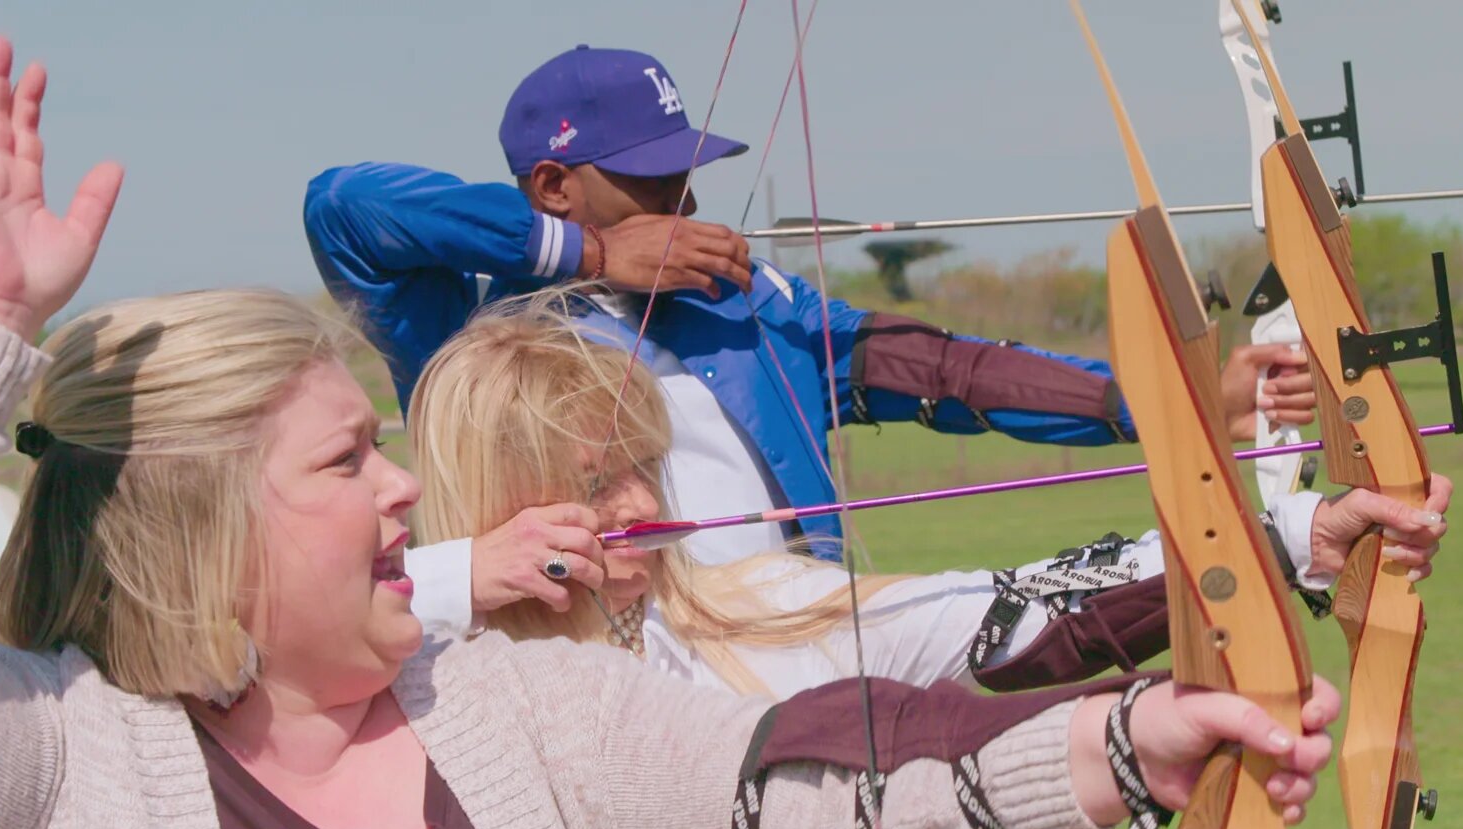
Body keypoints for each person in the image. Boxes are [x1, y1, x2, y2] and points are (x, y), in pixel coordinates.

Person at [0, 38, 1346, 829]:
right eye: (345, 458)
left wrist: (1149, 692)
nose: (400, 483)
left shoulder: (513, 715)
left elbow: (823, 758)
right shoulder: (38, 790)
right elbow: (351, 207)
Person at [404, 290, 1452, 829]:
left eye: (643, 463)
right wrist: (456, 576)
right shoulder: (417, 690)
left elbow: (1022, 610)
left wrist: (1289, 538)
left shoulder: (751, 607)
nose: (637, 500)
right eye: (594, 484)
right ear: (500, 502)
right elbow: (243, 642)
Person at [303, 44, 1319, 640]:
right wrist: (593, 252)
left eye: (684, 172)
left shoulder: (746, 304)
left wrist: (1186, 404)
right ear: (553, 188)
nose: (684, 200)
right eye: (647, 181)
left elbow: (948, 372)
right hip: (574, 707)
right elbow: (343, 206)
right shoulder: (468, 328)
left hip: (788, 675)